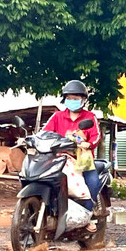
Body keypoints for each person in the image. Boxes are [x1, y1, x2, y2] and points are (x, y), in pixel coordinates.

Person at [42, 79, 101, 232]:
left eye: (76, 98)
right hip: (60, 159)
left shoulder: (90, 117)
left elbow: (96, 136)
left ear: (83, 100)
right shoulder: (57, 116)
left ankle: (88, 215)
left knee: (93, 183)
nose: (72, 101)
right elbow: (44, 133)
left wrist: (89, 144)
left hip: (82, 160)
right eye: (69, 98)